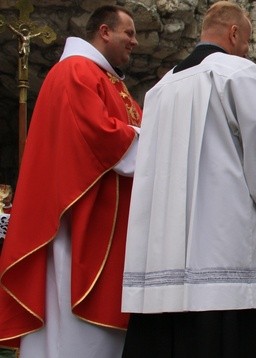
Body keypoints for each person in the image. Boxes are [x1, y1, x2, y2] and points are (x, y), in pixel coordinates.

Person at [120, 3, 256, 357]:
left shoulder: (159, 90)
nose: (246, 48)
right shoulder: (238, 71)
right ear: (234, 33)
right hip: (220, 241)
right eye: (248, 39)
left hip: (163, 247)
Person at [0, 5, 141, 357]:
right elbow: (100, 137)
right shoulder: (76, 71)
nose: (135, 42)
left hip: (105, 225)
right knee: (69, 327)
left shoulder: (108, 79)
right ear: (104, 31)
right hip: (75, 224)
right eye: (129, 32)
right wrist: (153, 139)